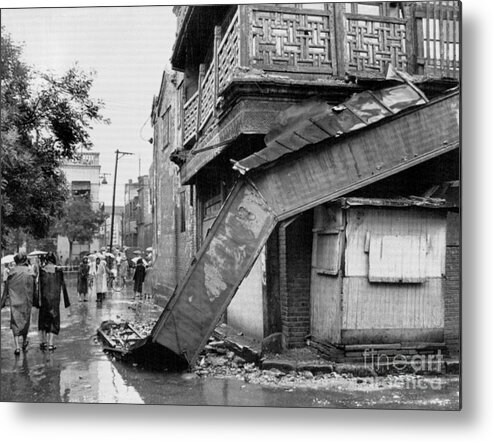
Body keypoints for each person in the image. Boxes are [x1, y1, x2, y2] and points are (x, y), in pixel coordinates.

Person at [1, 252, 37, 355]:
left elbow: (6, 289)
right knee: (25, 321)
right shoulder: (30, 272)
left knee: (15, 322)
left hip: (15, 301)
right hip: (26, 301)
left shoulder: (11, 272)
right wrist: (36, 301)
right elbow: (34, 288)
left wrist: (2, 303)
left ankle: (17, 347)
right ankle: (24, 341)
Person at [38, 252, 70, 351]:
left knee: (43, 320)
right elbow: (63, 286)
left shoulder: (42, 271)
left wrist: (36, 300)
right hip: (55, 300)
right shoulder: (58, 271)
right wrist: (66, 302)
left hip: (44, 299)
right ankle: (51, 343)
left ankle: (43, 342)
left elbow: (38, 287)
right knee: (53, 320)